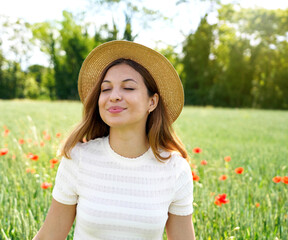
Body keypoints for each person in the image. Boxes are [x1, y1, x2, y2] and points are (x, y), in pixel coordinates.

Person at [33, 40, 195, 240]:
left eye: (128, 88)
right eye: (106, 89)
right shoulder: (79, 158)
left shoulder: (175, 169)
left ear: (152, 102)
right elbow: (49, 236)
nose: (114, 96)